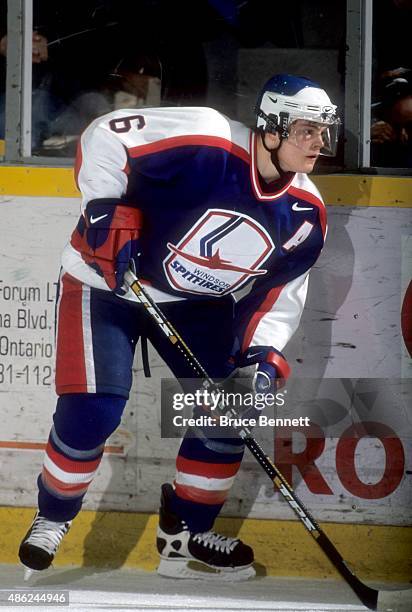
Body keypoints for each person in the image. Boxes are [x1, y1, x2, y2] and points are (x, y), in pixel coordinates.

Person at [18, 74, 340, 580]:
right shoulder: (206, 136)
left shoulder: (304, 215)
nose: (319, 143)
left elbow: (276, 298)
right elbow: (107, 134)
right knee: (94, 407)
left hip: (195, 306)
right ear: (271, 128)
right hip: (107, 282)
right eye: (307, 130)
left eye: (325, 132)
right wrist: (105, 210)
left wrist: (261, 356)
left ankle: (185, 537)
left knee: (231, 408)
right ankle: (52, 517)